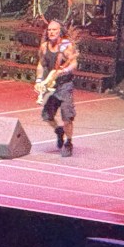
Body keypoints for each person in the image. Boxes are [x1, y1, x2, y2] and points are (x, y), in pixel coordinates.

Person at [35, 20, 80, 157]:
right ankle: (59, 131)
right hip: (51, 86)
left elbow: (74, 63)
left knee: (67, 116)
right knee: (47, 116)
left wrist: (64, 70)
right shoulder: (44, 47)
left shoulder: (66, 47)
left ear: (60, 31)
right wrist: (39, 80)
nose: (51, 32)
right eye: (49, 30)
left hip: (65, 86)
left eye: (54, 30)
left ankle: (68, 142)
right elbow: (41, 64)